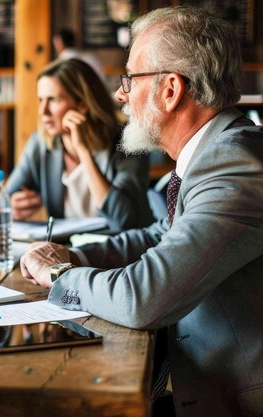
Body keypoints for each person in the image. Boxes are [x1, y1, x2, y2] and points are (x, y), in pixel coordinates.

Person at [20, 7, 263, 417]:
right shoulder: (214, 154)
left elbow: (143, 298)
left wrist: (61, 276)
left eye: (130, 79)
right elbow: (160, 234)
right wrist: (74, 256)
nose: (120, 94)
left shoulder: (236, 166)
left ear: (170, 90)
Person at [6, 58, 153, 231]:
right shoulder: (40, 144)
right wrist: (11, 208)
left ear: (83, 105)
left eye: (53, 100)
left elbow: (124, 220)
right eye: (41, 100)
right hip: (67, 251)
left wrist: (83, 151)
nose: (43, 112)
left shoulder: (128, 143)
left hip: (123, 251)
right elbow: (0, 203)